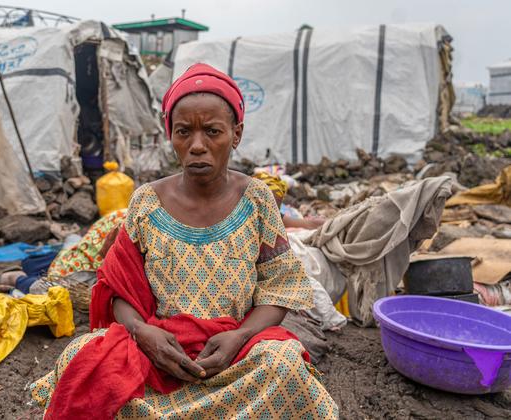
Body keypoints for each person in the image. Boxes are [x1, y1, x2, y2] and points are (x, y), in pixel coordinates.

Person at [30, 63, 338, 418]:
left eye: (212, 131)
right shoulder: (146, 201)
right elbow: (119, 290)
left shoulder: (257, 200)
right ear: (169, 134)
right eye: (183, 132)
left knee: (282, 365)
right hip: (159, 353)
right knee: (81, 356)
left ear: (236, 134)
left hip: (233, 355)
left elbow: (279, 289)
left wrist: (239, 336)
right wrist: (143, 332)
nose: (196, 146)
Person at [253, 172, 325, 230]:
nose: (274, 211)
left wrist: (311, 223)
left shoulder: (273, 215)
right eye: (271, 206)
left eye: (277, 207)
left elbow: (278, 218)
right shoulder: (247, 217)